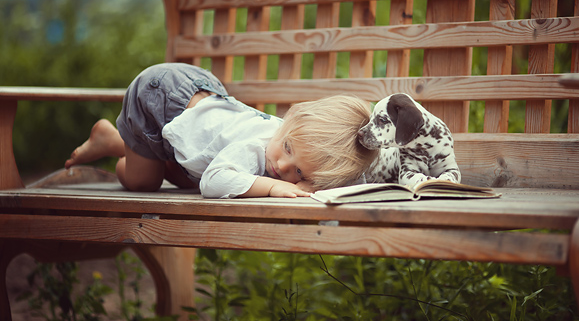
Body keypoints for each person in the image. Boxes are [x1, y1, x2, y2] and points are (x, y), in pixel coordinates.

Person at [65, 63, 378, 199]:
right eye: (287, 150)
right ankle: (113, 140)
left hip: (201, 102)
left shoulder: (296, 137)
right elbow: (213, 182)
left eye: (299, 172)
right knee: (143, 181)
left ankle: (138, 149)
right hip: (161, 100)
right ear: (290, 118)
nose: (281, 167)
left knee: (182, 179)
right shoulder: (255, 146)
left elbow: (347, 175)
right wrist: (271, 187)